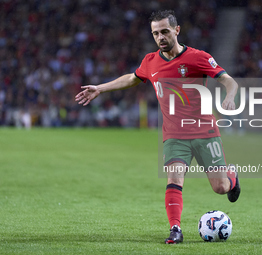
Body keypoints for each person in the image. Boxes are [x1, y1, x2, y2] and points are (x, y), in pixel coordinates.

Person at [75, 10, 241, 244]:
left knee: (221, 188)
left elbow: (228, 80)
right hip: (174, 135)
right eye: (155, 33)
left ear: (177, 30)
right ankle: (176, 229)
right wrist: (100, 88)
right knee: (174, 178)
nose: (160, 37)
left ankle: (232, 177)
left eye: (164, 31)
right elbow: (132, 78)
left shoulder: (198, 57)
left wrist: (230, 96)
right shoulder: (150, 61)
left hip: (205, 132)